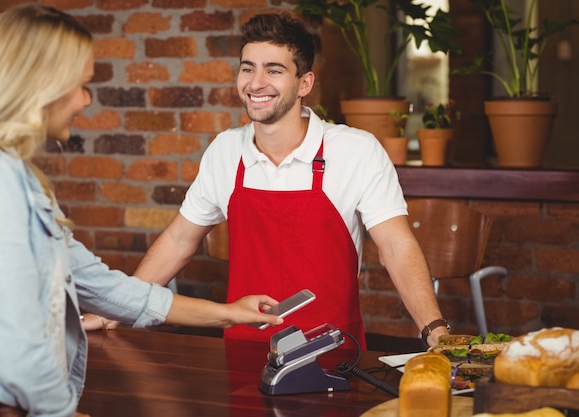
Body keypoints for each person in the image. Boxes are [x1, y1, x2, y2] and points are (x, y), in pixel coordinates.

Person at [0, 4, 283, 417]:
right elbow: (12, 336)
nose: (85, 100)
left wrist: (230, 313)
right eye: (82, 84)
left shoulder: (21, 178)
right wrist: (61, 412)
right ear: (42, 85)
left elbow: (104, 287)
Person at [88, 13, 450, 349]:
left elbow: (396, 248)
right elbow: (180, 240)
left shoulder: (356, 151)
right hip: (244, 352)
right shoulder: (226, 150)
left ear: (304, 82)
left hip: (332, 354)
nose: (256, 83)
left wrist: (435, 330)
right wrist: (119, 307)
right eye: (248, 68)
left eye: (274, 70)